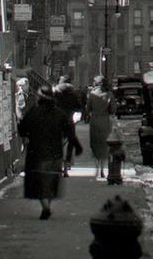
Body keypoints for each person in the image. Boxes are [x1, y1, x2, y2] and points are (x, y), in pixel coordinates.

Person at [18, 85, 80, 220]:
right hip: (55, 152)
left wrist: (28, 133)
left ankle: (45, 206)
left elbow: (22, 129)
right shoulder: (59, 113)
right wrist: (77, 145)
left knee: (38, 182)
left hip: (36, 153)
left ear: (40, 98)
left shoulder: (33, 112)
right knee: (51, 182)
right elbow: (70, 131)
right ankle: (48, 205)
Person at [86, 77, 116, 180]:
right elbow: (113, 110)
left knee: (95, 145)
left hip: (94, 121)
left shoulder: (92, 94)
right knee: (104, 145)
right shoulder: (109, 94)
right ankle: (103, 169)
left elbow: (88, 108)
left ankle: (97, 169)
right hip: (105, 122)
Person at [54, 76, 80, 176]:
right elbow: (78, 107)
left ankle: (58, 164)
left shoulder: (55, 93)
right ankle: (67, 163)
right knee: (71, 142)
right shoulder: (73, 93)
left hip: (57, 122)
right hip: (69, 121)